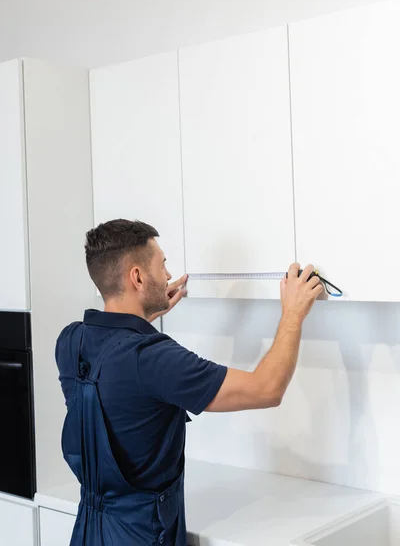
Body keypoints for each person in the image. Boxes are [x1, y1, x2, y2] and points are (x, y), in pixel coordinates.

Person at [56, 219, 323, 546]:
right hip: (142, 536)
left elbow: (117, 361)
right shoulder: (153, 359)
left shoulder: (71, 341)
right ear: (138, 277)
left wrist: (143, 311)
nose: (168, 275)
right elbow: (267, 388)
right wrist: (293, 313)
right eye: (162, 264)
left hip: (88, 531)